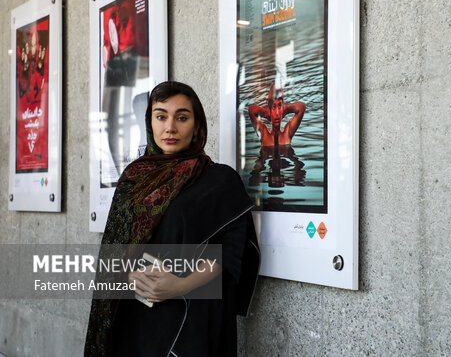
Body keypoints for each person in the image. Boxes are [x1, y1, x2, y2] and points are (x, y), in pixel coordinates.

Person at [85, 81, 260, 356]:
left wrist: (178, 285)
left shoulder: (220, 181)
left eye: (182, 117)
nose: (170, 127)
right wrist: (127, 273)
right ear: (150, 122)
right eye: (161, 116)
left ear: (197, 124)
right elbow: (115, 246)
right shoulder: (135, 177)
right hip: (135, 315)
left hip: (192, 318)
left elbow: (230, 253)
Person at [248, 83, 305, 147]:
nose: (277, 113)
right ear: (270, 109)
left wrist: (285, 110)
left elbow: (301, 107)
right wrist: (267, 113)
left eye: (279, 106)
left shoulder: (287, 132)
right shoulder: (264, 134)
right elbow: (251, 110)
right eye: (274, 107)